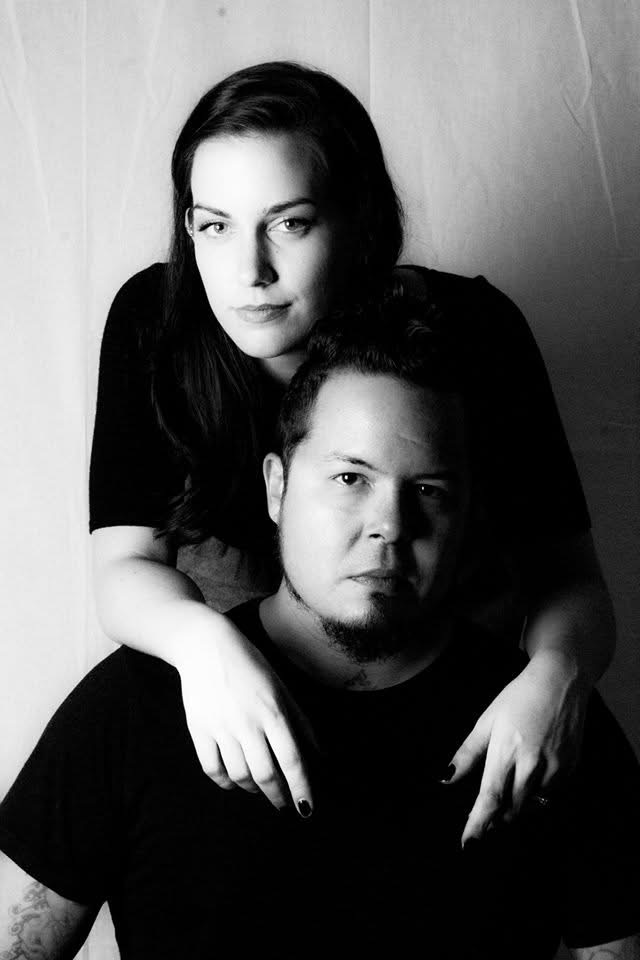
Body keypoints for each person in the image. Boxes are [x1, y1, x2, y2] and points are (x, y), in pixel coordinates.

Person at [1, 303, 638, 960]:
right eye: (349, 477)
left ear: (467, 511)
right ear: (276, 488)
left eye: (428, 490)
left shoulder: (547, 722)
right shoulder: (139, 704)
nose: (389, 525)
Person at [90, 60, 616, 839]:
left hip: (453, 717)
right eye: (215, 225)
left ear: (360, 221)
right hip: (240, 712)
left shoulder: (474, 331)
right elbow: (122, 567)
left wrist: (555, 675)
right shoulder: (156, 322)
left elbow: (568, 579)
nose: (249, 272)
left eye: (290, 223)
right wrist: (205, 646)